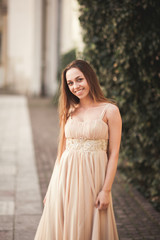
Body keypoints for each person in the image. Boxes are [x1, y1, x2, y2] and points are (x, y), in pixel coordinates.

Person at [34, 59, 122, 240]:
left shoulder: (110, 111)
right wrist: (51, 188)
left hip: (94, 180)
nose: (75, 86)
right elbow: (61, 152)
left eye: (79, 79)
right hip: (64, 180)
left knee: (89, 226)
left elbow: (113, 154)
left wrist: (106, 190)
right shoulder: (68, 111)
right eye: (70, 83)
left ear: (90, 78)